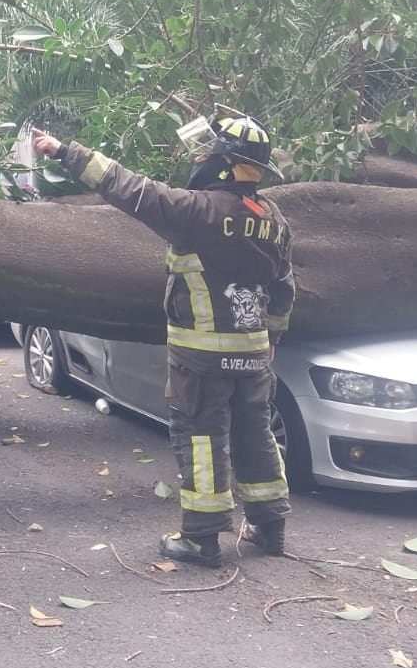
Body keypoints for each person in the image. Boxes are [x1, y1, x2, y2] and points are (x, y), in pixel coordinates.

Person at [30, 112, 295, 568]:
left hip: (201, 359)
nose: (200, 158)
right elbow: (284, 287)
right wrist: (270, 336)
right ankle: (270, 527)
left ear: (224, 163)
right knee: (256, 436)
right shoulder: (273, 219)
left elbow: (127, 187)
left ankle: (201, 538)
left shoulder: (195, 210)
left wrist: (64, 151)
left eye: (208, 153)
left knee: (202, 439)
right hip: (253, 357)